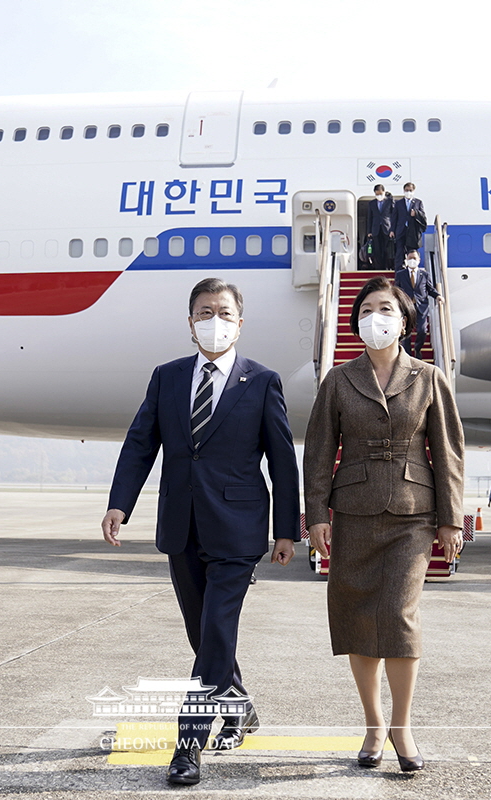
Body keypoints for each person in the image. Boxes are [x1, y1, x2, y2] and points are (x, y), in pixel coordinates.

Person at [101, 278, 300, 786]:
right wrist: (119, 503)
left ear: (240, 321)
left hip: (238, 528)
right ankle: (239, 706)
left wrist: (285, 529)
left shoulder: (262, 381)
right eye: (204, 311)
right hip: (181, 524)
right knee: (204, 633)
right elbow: (141, 442)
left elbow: (282, 461)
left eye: (224, 311)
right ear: (190, 323)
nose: (215, 320)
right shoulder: (166, 377)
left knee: (215, 631)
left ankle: (187, 747)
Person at [303, 276, 464, 774]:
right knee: (355, 617)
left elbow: (449, 451)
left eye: (387, 308)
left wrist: (451, 520)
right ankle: (373, 724)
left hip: (413, 512)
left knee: (398, 616)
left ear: (404, 318)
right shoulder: (338, 379)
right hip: (352, 511)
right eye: (369, 308)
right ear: (357, 320)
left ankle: (402, 726)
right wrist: (316, 516)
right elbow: (319, 451)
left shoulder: (429, 377)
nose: (377, 316)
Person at [393, 250, 441, 358]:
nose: (412, 261)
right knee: (406, 333)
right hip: (406, 308)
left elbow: (430, 289)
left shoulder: (424, 274)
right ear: (406, 260)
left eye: (414, 258)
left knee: (422, 331)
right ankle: (407, 356)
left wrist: (438, 296)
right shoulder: (401, 274)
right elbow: (396, 289)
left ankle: (418, 349)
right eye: (410, 258)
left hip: (421, 308)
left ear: (419, 260)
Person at [390, 182, 426, 268]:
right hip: (401, 230)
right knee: (399, 251)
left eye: (410, 190)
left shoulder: (418, 202)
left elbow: (423, 216)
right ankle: (398, 270)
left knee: (412, 251)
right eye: (406, 190)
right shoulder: (398, 203)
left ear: (413, 191)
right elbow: (394, 217)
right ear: (403, 191)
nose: (408, 192)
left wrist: (416, 213)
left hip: (412, 231)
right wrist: (392, 230)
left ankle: (412, 268)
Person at [365, 184, 394, 271]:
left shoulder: (390, 202)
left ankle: (387, 266)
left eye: (380, 193)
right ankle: (378, 267)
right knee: (377, 249)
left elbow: (394, 216)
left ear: (384, 192)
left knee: (387, 249)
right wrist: (369, 231)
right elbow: (369, 218)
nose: (379, 195)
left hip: (387, 229)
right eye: (377, 194)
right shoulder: (372, 203)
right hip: (375, 229)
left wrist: (393, 229)